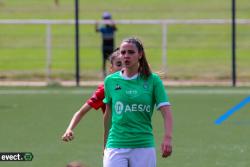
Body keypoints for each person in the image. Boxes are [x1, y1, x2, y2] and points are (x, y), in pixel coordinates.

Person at [103, 37, 173, 167]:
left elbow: (166, 111)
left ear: (140, 54)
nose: (126, 56)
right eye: (123, 52)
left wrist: (167, 138)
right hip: (116, 144)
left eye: (131, 52)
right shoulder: (110, 81)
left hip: (143, 145)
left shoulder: (153, 80)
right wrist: (105, 144)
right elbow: (108, 114)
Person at [62, 48, 122, 142]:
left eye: (126, 63)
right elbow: (81, 112)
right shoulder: (105, 89)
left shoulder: (139, 84)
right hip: (116, 140)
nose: (123, 67)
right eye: (119, 64)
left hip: (139, 139)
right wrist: (69, 129)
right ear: (111, 68)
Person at [95, 12, 117, 78]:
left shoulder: (111, 28)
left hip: (111, 46)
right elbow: (96, 30)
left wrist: (112, 23)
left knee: (112, 60)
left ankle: (112, 72)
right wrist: (97, 24)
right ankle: (104, 73)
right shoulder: (103, 29)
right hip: (105, 46)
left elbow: (115, 28)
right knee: (104, 60)